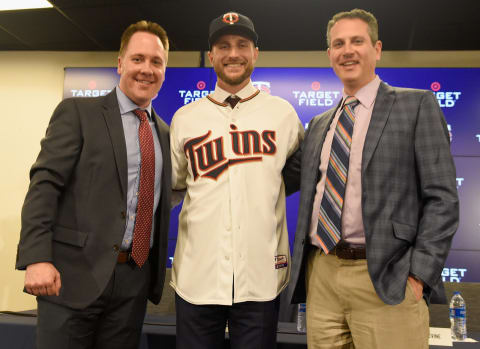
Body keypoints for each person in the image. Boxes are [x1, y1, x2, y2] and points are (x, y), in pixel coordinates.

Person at [286, 8, 459, 349]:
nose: (347, 50)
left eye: (357, 41)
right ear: (329, 54)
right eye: (338, 43)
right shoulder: (320, 124)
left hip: (387, 280)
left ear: (376, 49)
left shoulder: (416, 106)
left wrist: (418, 275)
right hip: (322, 275)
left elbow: (443, 199)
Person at [15, 20, 172, 349]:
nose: (146, 69)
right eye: (138, 59)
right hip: (70, 278)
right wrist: (36, 258)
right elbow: (44, 185)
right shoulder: (78, 113)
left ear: (165, 68)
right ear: (120, 63)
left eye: (156, 62)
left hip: (133, 284)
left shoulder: (166, 134)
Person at [170, 11, 304, 349]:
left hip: (260, 278)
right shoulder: (185, 119)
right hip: (197, 277)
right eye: (224, 46)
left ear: (255, 52)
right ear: (211, 55)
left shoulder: (283, 114)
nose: (233, 54)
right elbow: (172, 187)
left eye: (242, 44)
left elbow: (295, 177)